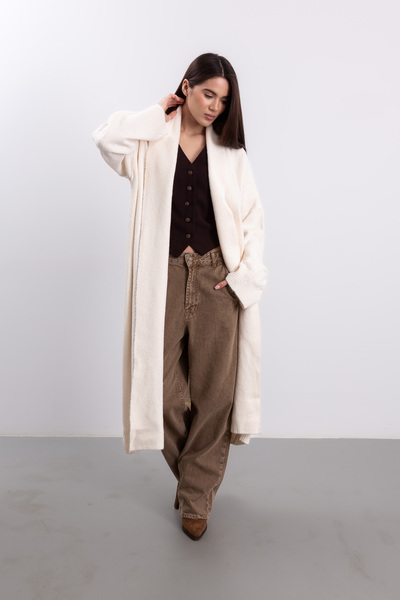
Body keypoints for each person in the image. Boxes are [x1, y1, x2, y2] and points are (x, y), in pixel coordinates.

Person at [92, 52, 268, 540]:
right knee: (161, 392)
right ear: (186, 87)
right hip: (163, 278)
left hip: (217, 280)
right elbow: (105, 138)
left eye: (223, 100)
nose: (214, 106)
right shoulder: (150, 143)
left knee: (215, 394)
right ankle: (194, 478)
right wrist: (157, 112)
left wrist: (243, 279)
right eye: (208, 94)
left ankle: (195, 496)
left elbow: (252, 222)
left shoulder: (232, 155)